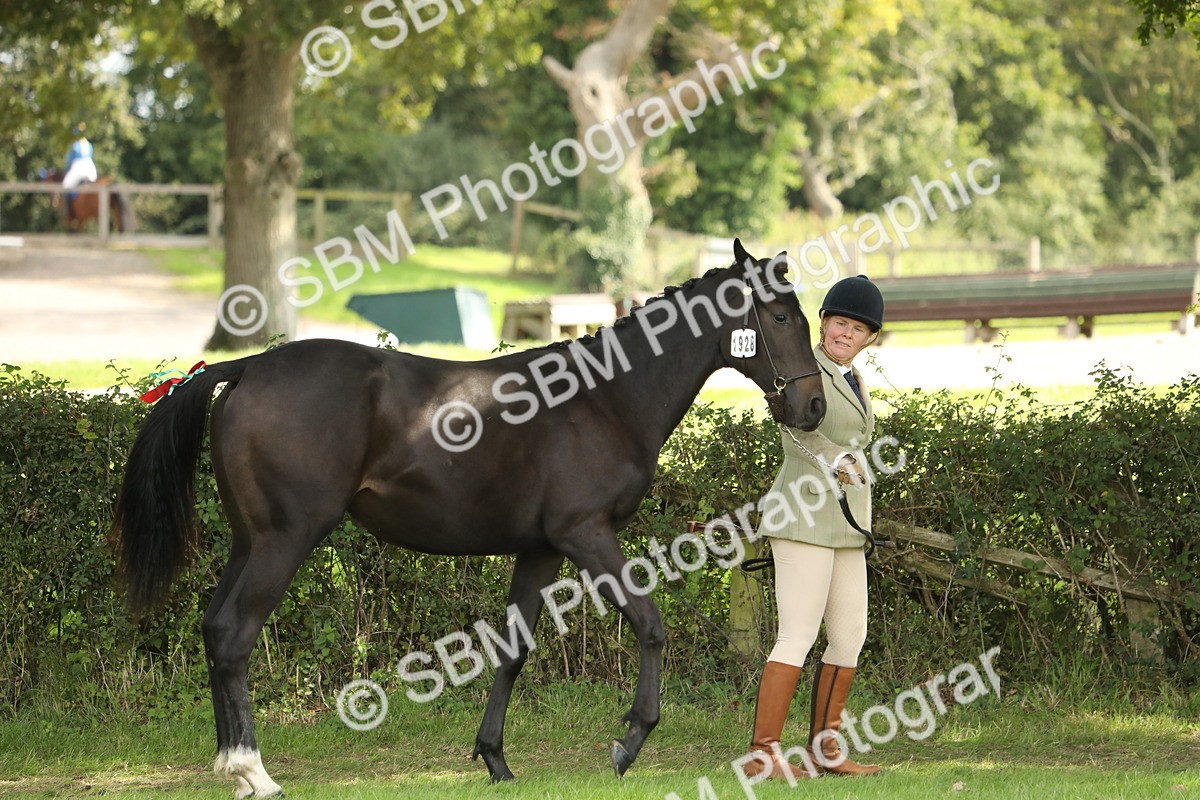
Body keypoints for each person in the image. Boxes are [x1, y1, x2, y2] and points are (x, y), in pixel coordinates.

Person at [742, 274, 885, 779]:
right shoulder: (803, 368)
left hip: (847, 522)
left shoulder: (854, 378)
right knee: (797, 634)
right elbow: (795, 431)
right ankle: (762, 754)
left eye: (858, 328)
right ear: (822, 322)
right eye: (840, 322)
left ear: (871, 338)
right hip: (802, 516)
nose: (846, 333)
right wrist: (837, 459)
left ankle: (826, 750)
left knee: (849, 637)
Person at [61, 123, 98, 219]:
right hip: (91, 168)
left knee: (65, 185)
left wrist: (67, 170)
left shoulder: (74, 145)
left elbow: (69, 161)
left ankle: (67, 212)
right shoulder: (88, 144)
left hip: (78, 168)